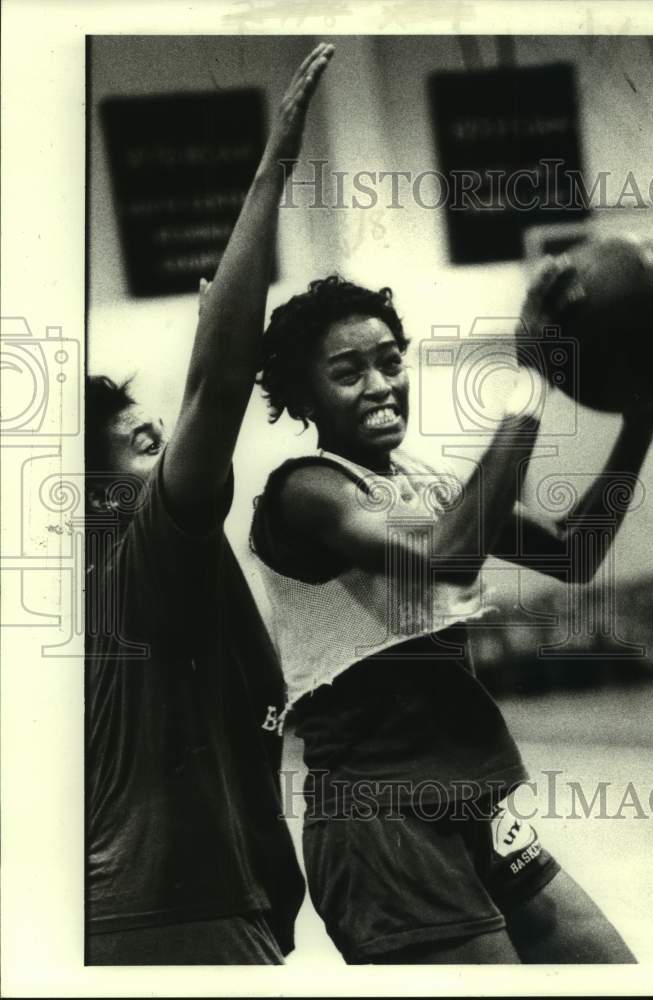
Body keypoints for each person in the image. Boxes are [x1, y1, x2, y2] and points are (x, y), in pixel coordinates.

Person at [248, 265, 653, 964]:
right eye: (348, 372)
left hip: (476, 798)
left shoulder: (423, 481)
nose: (380, 385)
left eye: (391, 362)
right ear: (304, 395)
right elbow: (446, 556)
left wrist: (639, 424)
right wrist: (533, 382)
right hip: (383, 824)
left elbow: (574, 555)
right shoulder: (304, 491)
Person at [85, 43, 334, 965]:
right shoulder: (139, 552)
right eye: (127, 430)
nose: (152, 432)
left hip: (154, 906)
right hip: (176, 918)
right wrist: (275, 164)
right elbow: (219, 384)